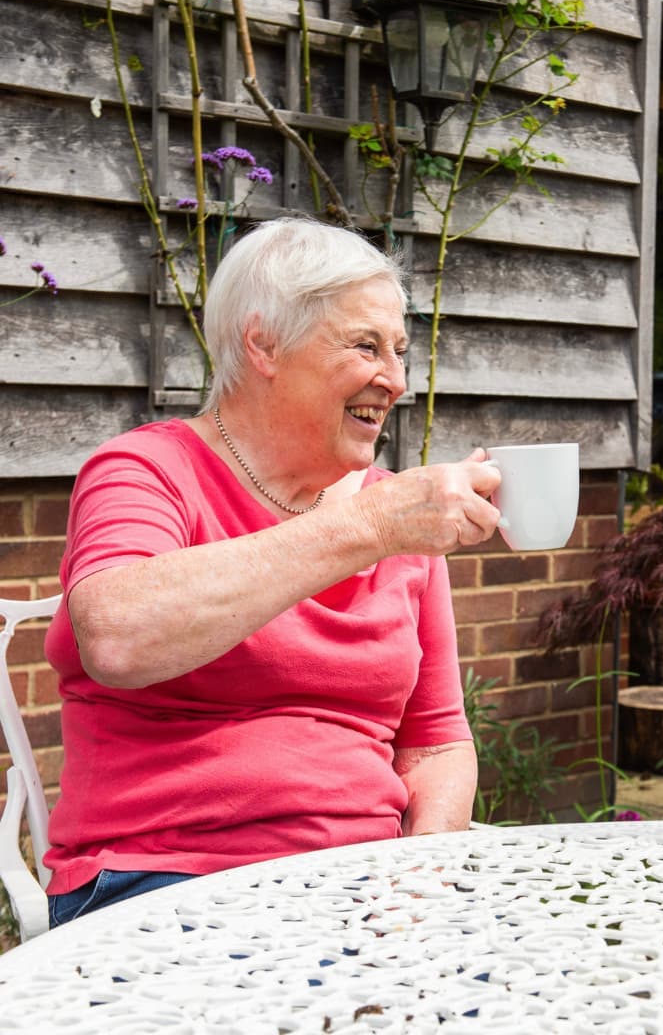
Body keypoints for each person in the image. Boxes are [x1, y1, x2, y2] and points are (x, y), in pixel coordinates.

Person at [42, 217, 503, 924]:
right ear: (264, 343)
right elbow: (117, 637)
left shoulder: (398, 516)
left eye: (400, 351)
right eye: (365, 346)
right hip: (166, 876)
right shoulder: (146, 471)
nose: (397, 379)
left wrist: (422, 878)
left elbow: (437, 742)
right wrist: (370, 528)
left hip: (366, 882)